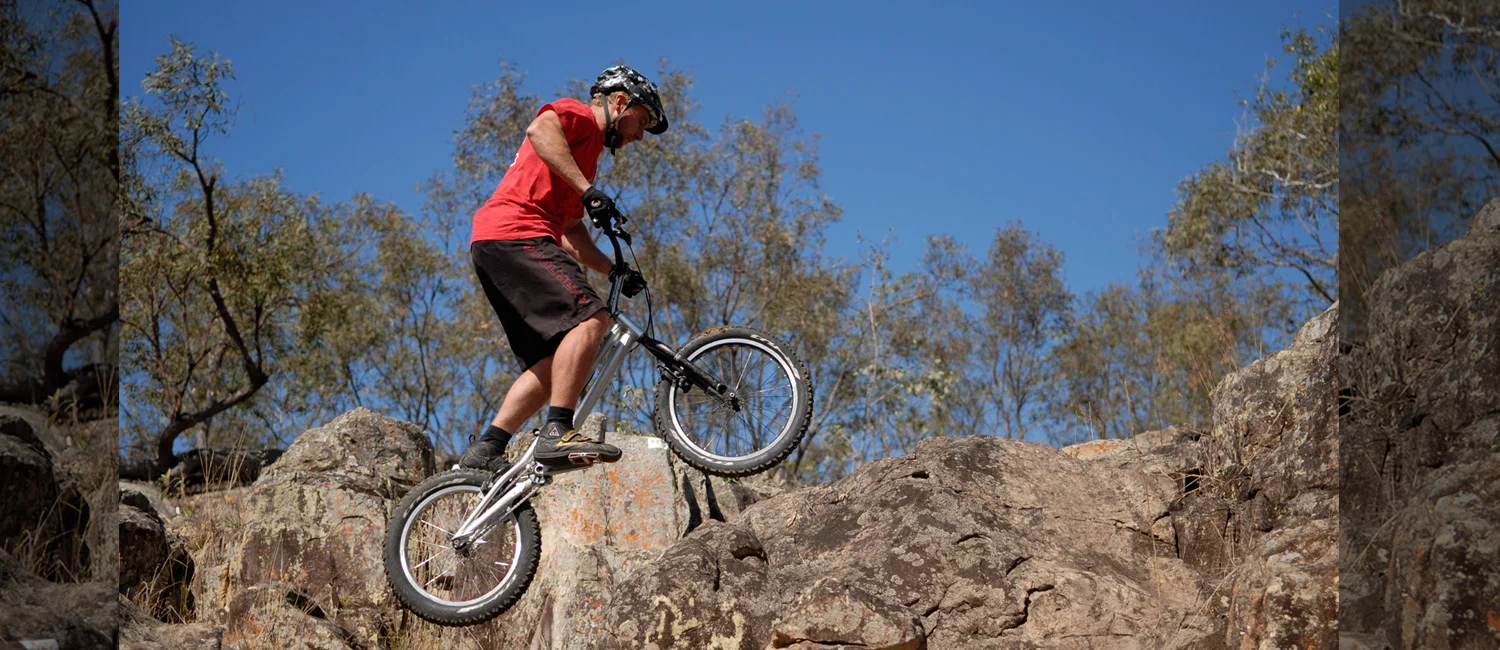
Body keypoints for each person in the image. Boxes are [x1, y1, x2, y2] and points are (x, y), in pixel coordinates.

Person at [457, 65, 668, 471]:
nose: (638, 135)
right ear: (619, 101)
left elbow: (571, 232)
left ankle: (487, 448)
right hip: (516, 233)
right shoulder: (581, 117)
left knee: (557, 364)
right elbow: (540, 130)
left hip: (498, 242)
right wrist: (588, 190)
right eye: (640, 122)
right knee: (591, 320)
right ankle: (557, 431)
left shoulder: (584, 161)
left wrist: (613, 270)